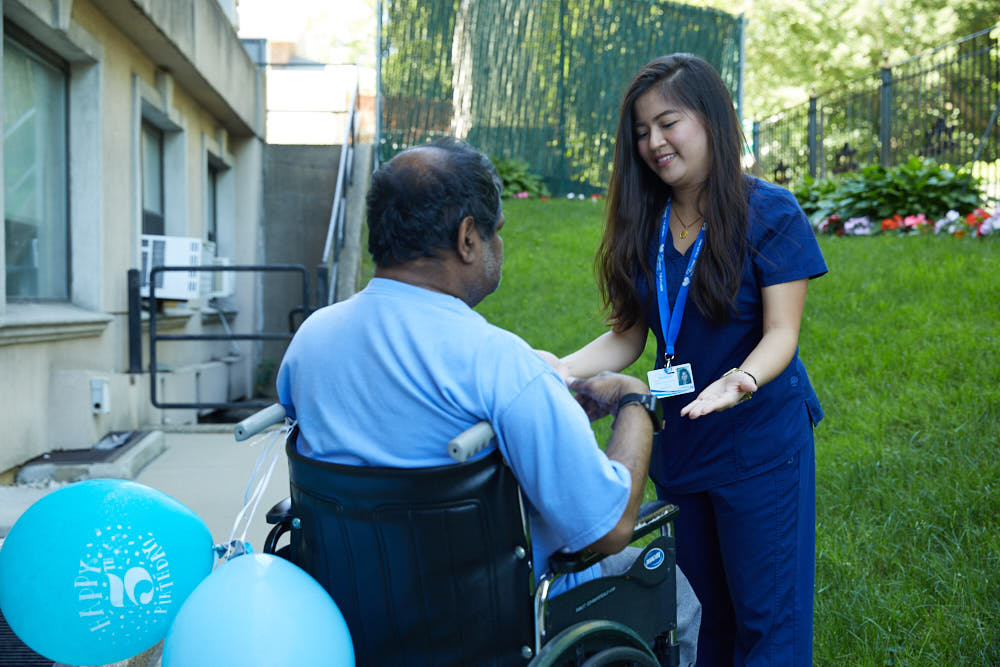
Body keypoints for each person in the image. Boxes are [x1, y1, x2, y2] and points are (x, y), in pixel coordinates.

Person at [275, 137, 699, 664]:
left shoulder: (311, 340)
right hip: (496, 625)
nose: (499, 244)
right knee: (678, 597)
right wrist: (635, 401)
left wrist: (542, 401)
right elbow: (609, 527)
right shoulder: (499, 363)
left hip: (358, 619)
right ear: (469, 237)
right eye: (496, 231)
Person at [544, 54, 827, 666]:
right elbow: (628, 336)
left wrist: (741, 379)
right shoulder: (643, 220)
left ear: (712, 119)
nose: (654, 142)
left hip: (759, 445)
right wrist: (557, 370)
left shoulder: (771, 213)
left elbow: (782, 334)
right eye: (642, 132)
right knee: (708, 622)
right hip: (681, 445)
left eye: (668, 122)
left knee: (770, 623)